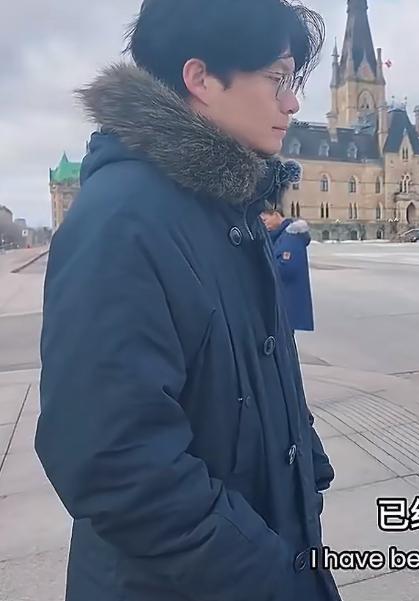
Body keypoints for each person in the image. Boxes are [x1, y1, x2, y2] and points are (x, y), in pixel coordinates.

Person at [35, 2, 341, 600]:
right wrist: (268, 574)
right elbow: (115, 464)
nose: (292, 103)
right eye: (277, 78)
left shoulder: (226, 209)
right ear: (200, 77)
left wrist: (306, 466)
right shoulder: (124, 221)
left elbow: (249, 375)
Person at [261, 203, 316, 331]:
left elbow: (286, 268)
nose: (264, 224)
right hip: (283, 300)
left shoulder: (291, 237)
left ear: (276, 215)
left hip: (287, 301)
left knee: (284, 338)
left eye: (265, 220)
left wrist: (262, 271)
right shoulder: (280, 236)